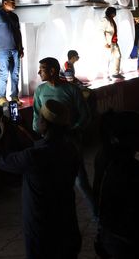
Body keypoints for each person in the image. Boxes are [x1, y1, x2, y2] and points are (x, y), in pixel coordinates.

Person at [0, 99, 81, 259]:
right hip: (67, 225)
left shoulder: (33, 157)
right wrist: (24, 127)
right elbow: (44, 144)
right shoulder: (71, 149)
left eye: (39, 118)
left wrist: (3, 131)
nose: (37, 120)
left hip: (42, 230)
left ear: (45, 124)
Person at [93, 111, 139, 259]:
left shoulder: (106, 155)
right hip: (128, 243)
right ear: (130, 138)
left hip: (111, 237)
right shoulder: (128, 169)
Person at [32, 57, 93, 211]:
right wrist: (40, 134)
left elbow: (85, 115)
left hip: (70, 142)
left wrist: (74, 130)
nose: (39, 72)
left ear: (53, 71)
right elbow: (36, 116)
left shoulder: (71, 89)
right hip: (49, 143)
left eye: (42, 69)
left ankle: (98, 217)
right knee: (53, 183)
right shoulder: (40, 90)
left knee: (81, 181)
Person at [102, 7, 124, 80]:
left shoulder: (111, 19)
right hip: (109, 42)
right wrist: (105, 42)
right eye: (114, 13)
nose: (115, 14)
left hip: (114, 41)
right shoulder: (105, 20)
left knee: (118, 56)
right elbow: (101, 31)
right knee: (107, 59)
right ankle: (106, 75)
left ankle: (116, 73)